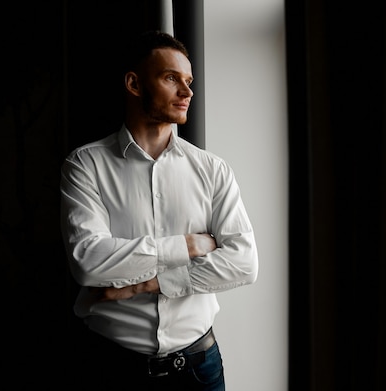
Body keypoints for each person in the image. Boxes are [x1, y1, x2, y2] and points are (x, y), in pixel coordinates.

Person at [59, 30, 259, 390]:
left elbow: (244, 262)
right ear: (134, 84)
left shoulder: (212, 170)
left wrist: (145, 284)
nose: (187, 92)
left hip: (200, 369)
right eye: (171, 78)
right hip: (110, 365)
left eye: (189, 81)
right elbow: (88, 262)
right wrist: (189, 245)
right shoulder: (85, 165)